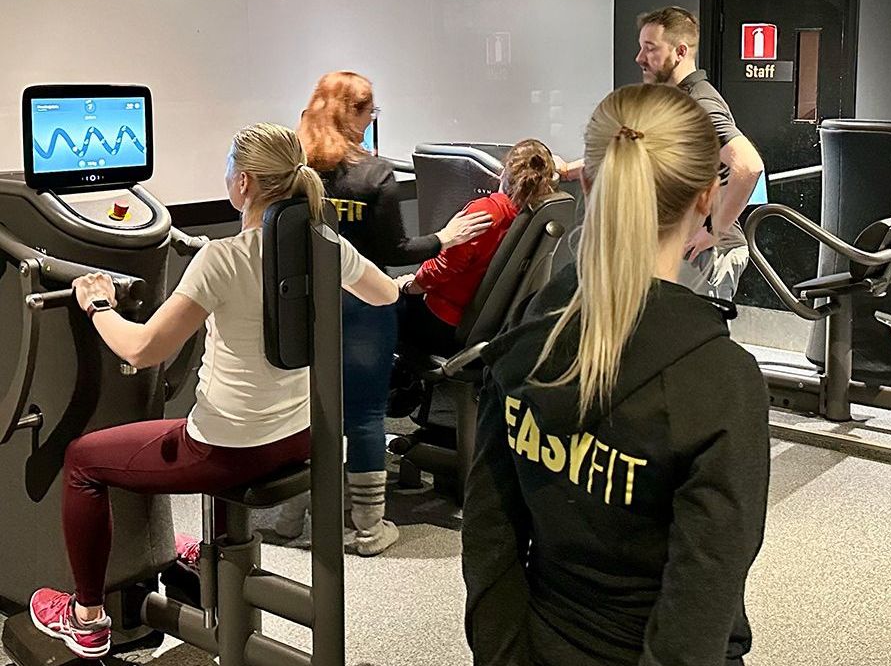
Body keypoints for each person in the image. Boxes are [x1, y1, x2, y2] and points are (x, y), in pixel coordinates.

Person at [28, 123, 406, 659]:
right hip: (301, 437)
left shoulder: (222, 259)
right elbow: (386, 292)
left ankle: (86, 617)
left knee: (84, 461)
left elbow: (141, 350)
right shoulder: (325, 244)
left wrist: (97, 304)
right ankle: (200, 554)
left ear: (244, 181)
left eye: (230, 166)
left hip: (227, 452)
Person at [462, 84, 770, 666]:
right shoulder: (722, 381)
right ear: (707, 196)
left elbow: (487, 533)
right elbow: (703, 598)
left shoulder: (530, 330)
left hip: (534, 645)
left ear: (585, 184)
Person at [280, 71, 491, 554]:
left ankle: (292, 519)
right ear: (354, 113)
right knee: (366, 414)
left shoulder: (296, 170)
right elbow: (394, 250)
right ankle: (369, 529)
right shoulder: (374, 175)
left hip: (306, 305)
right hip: (364, 306)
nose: (370, 120)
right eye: (369, 112)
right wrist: (445, 238)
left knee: (310, 411)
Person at [559, 6, 764, 302]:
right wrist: (568, 169)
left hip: (706, 248)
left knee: (696, 327)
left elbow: (748, 165)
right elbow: (627, 148)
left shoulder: (700, 104)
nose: (639, 58)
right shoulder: (672, 102)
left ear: (680, 52)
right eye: (641, 47)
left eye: (650, 48)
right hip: (684, 239)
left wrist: (714, 230)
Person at [389, 138, 559, 449]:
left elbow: (442, 267)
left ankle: (387, 404)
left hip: (443, 323)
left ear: (504, 173)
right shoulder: (533, 216)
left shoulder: (486, 212)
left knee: (378, 306)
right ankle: (433, 419)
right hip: (485, 326)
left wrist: (409, 286)